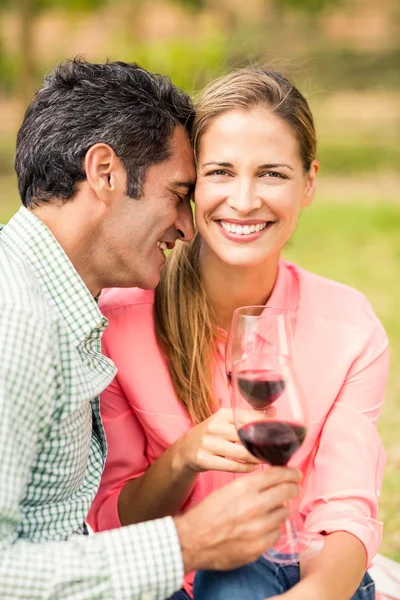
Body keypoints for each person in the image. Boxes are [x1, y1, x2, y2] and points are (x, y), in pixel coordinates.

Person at [0, 59, 303, 600]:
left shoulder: (58, 301)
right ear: (105, 174)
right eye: (176, 192)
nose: (188, 227)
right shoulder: (18, 323)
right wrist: (187, 544)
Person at [88, 68, 389, 600]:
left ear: (309, 182)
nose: (245, 201)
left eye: (271, 174)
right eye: (221, 172)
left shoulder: (349, 327)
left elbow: (345, 512)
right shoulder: (117, 322)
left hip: (305, 577)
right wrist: (182, 458)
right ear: (190, 185)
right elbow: (115, 520)